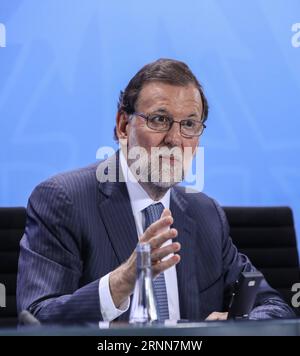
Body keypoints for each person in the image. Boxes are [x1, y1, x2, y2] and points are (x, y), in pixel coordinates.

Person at [17, 58, 294, 324]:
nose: (174, 139)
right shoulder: (64, 200)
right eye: (160, 120)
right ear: (124, 126)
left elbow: (275, 307)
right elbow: (36, 318)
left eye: (189, 124)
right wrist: (121, 282)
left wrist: (235, 326)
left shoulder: (206, 214)